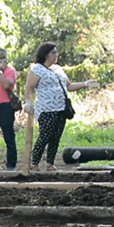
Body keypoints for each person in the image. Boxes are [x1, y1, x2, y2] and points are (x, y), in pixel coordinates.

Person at [24, 42, 99, 171]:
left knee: (56, 137)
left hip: (61, 108)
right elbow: (29, 87)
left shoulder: (58, 69)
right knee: (45, 136)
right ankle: (35, 163)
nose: (56, 55)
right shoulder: (37, 70)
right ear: (45, 55)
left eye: (56, 52)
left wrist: (85, 84)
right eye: (53, 53)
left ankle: (50, 164)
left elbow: (68, 86)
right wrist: (28, 102)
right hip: (47, 109)